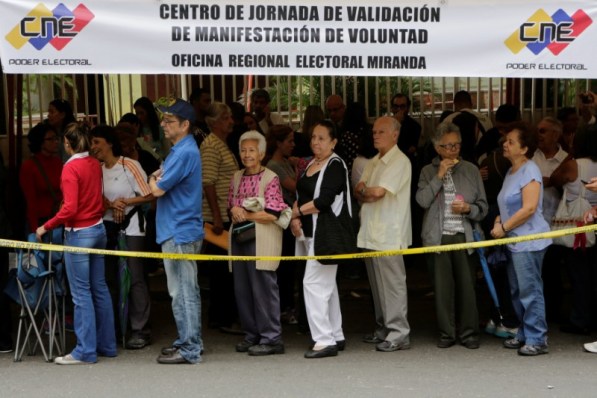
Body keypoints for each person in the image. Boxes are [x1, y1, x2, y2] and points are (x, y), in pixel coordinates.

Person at [36, 122, 117, 365]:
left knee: (81, 294)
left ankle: (85, 350)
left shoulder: (70, 168)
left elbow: (69, 207)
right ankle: (107, 345)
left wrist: (46, 225)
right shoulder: (94, 163)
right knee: (100, 289)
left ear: (68, 144)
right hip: (98, 229)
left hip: (79, 233)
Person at [416, 122, 488, 349]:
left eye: (456, 145)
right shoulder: (427, 171)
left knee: (467, 287)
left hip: (464, 235)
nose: (452, 151)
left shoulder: (471, 170)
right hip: (438, 238)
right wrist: (439, 175)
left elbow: (483, 207)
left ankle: (469, 333)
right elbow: (421, 201)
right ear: (437, 148)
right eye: (447, 146)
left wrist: (468, 208)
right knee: (442, 289)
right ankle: (446, 333)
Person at [149, 99, 204, 365]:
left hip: (179, 230)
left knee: (183, 291)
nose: (163, 125)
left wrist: (151, 179)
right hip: (179, 229)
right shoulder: (181, 150)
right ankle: (188, 340)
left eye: (169, 121)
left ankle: (190, 347)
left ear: (185, 125)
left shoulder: (183, 153)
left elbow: (157, 189)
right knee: (183, 289)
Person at [490, 121, 552, 356]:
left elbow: (528, 209)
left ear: (524, 149)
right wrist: (499, 220)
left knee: (530, 290)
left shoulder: (530, 170)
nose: (505, 144)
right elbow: (508, 205)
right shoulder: (511, 171)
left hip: (529, 240)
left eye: (510, 142)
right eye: (506, 141)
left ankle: (538, 337)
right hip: (515, 240)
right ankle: (525, 333)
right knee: (517, 290)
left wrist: (503, 226)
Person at [90, 125, 154, 349]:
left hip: (133, 227)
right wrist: (110, 204)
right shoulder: (95, 169)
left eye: (97, 142)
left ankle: (140, 329)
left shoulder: (129, 165)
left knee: (135, 277)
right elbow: (92, 197)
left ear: (109, 142)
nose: (93, 147)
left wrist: (124, 202)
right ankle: (114, 329)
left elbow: (148, 195)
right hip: (105, 228)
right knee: (108, 280)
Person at [291, 120, 349, 358]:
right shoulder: (311, 164)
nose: (315, 142)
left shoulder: (336, 165)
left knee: (313, 284)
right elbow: (300, 194)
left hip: (327, 233)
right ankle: (335, 334)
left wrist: (297, 212)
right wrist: (295, 217)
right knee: (327, 286)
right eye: (313, 137)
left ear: (333, 142)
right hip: (310, 234)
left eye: (322, 138)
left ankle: (324, 340)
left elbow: (323, 201)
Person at [354, 116, 412, 353]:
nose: (375, 135)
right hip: (371, 231)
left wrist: (366, 193)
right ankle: (383, 329)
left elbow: (375, 192)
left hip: (389, 232)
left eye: (381, 132)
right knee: (377, 286)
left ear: (395, 135)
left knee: (392, 285)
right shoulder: (374, 161)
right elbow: (359, 190)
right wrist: (366, 193)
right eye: (374, 132)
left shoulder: (399, 161)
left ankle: (399, 333)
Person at [229, 131, 289, 356]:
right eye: (243, 150)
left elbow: (274, 213)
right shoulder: (236, 177)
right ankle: (251, 334)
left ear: (262, 153)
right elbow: (231, 206)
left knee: (263, 287)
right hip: (239, 239)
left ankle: (271, 338)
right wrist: (236, 210)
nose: (247, 154)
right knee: (242, 288)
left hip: (262, 239)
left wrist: (245, 214)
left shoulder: (271, 177)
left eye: (252, 150)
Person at [550, 132, 597, 335]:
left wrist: (569, 152)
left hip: (579, 225)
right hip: (594, 221)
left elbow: (554, 179)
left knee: (579, 275)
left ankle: (580, 319)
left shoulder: (574, 164)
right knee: (594, 275)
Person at [201, 102, 241, 332]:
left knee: (226, 270)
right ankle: (222, 318)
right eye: (226, 118)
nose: (231, 121)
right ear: (215, 122)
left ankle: (222, 316)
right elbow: (208, 182)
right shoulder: (210, 146)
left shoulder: (221, 144)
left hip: (227, 215)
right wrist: (217, 217)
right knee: (222, 272)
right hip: (219, 219)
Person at [266, 125, 299, 325]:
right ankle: (283, 308)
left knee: (289, 267)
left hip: (289, 220)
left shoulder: (285, 162)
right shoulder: (275, 166)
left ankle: (286, 306)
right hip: (282, 222)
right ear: (278, 143)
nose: (293, 145)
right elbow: (295, 186)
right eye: (289, 141)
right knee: (284, 268)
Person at [19, 123, 63, 234]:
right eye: (50, 139)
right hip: (40, 222)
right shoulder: (29, 167)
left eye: (56, 138)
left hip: (59, 220)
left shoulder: (58, 163)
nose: (56, 141)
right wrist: (35, 231)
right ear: (40, 142)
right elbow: (30, 201)